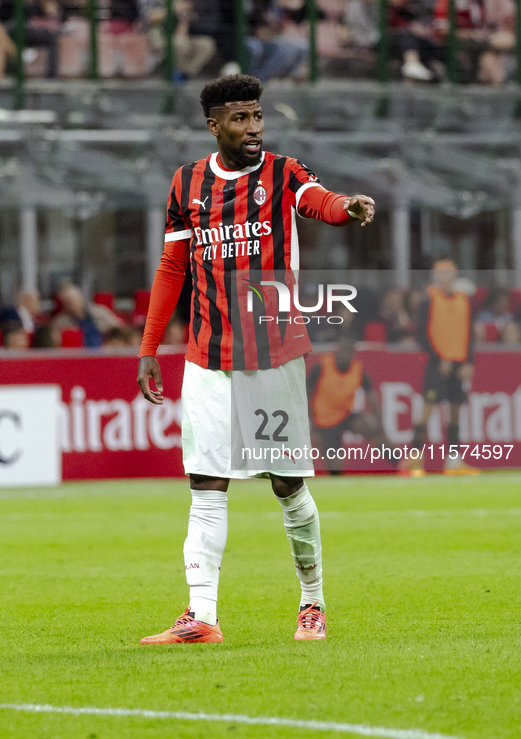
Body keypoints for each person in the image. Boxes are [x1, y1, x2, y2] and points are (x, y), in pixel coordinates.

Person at [137, 74, 375, 644]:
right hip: (206, 357)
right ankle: (202, 616)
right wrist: (149, 348)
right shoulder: (187, 183)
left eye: (258, 116)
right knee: (205, 482)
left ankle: (312, 602)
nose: (253, 129)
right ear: (213, 124)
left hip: (272, 357)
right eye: (240, 119)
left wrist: (348, 207)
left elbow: (317, 202)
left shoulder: (282, 172)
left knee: (286, 485)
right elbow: (173, 268)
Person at [401, 259, 477, 476]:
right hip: (437, 364)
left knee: (455, 412)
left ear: (455, 275)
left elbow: (469, 333)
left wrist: (469, 361)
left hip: (459, 364)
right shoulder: (428, 299)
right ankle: (415, 460)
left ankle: (454, 461)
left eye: (447, 273)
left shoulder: (464, 299)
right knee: (427, 411)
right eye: (439, 273)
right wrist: (437, 358)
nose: (443, 277)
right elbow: (421, 334)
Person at [307, 337, 396, 474]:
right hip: (323, 421)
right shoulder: (321, 367)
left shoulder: (358, 370)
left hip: (345, 414)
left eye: (348, 351)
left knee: (372, 427)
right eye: (342, 350)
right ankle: (337, 480)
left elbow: (374, 402)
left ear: (353, 354)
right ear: (336, 351)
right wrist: (314, 427)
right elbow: (307, 396)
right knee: (335, 466)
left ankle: (400, 464)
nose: (344, 355)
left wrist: (382, 430)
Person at [51, 283, 123, 348]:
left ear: (80, 296)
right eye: (67, 301)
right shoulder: (60, 322)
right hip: (78, 357)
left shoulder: (100, 312)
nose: (71, 303)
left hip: (104, 352)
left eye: (73, 299)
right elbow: (55, 343)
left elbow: (119, 328)